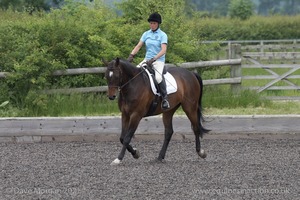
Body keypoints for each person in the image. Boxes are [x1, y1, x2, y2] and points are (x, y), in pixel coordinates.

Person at [127, 12, 170, 109]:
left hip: (158, 60)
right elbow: (138, 46)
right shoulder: (146, 34)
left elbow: (163, 50)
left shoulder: (163, 35)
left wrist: (154, 59)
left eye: (154, 23)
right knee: (135, 75)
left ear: (158, 24)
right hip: (147, 60)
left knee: (158, 78)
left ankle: (165, 99)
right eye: (151, 23)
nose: (152, 25)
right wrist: (132, 54)